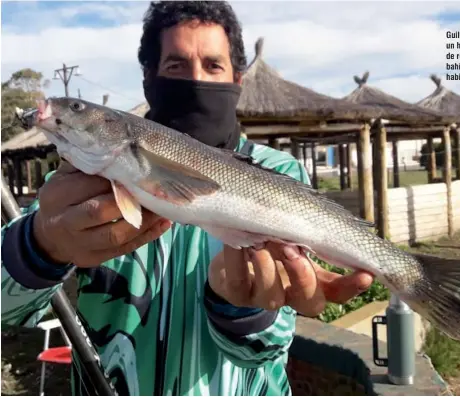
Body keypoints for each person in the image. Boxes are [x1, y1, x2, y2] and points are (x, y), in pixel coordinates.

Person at [1, 2, 374, 395]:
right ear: (149, 78)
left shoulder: (279, 174)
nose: (196, 79)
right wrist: (39, 244)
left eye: (213, 66)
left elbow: (264, 353)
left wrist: (243, 311)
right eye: (176, 66)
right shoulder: (78, 179)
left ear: (238, 79)